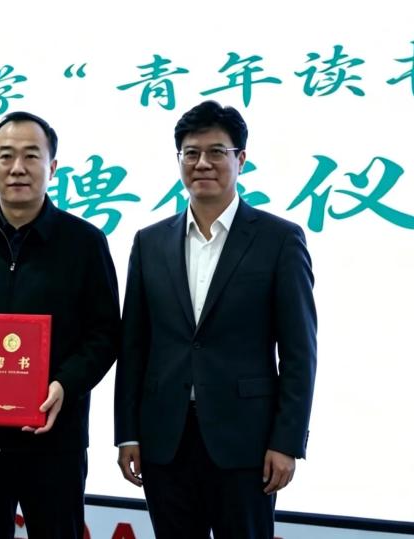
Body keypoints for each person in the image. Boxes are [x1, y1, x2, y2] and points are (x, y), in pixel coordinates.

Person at [114, 100, 317, 538]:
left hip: (245, 443)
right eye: (191, 153)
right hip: (165, 441)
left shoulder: (279, 239)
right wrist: (127, 434)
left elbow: (300, 351)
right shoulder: (150, 242)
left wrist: (286, 442)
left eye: (216, 152)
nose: (202, 163)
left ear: (240, 159)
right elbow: (133, 346)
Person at [0, 111, 120, 539]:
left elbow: (105, 333)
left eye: (31, 156)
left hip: (56, 437)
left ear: (52, 167)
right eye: (6, 155)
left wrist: (64, 385)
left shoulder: (85, 243)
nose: (17, 168)